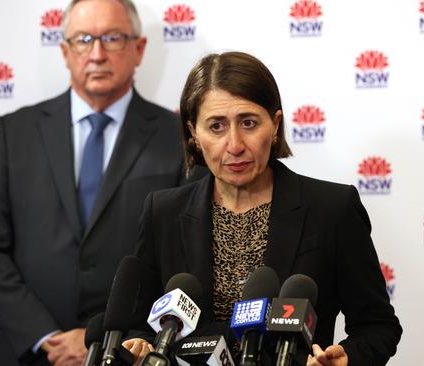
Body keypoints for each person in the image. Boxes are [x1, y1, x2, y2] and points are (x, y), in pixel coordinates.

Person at [125, 52, 402, 366]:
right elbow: (138, 324)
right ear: (193, 134)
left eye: (248, 123)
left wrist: (349, 357)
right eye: (216, 126)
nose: (235, 144)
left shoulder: (332, 208)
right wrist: (139, 346)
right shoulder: (162, 213)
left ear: (275, 125)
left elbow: (377, 326)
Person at [0, 1, 198, 365]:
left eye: (113, 38)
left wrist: (100, 336)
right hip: (27, 352)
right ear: (64, 51)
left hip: (127, 352)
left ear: (138, 49)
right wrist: (45, 336)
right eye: (83, 40)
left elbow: (182, 262)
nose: (97, 53)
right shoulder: (14, 133)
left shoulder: (179, 137)